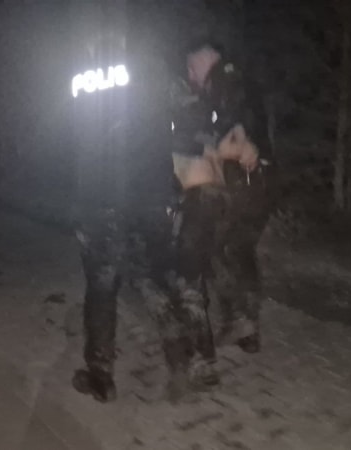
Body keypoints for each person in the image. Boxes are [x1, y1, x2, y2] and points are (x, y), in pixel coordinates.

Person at [69, 6, 221, 403]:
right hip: (150, 197)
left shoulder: (80, 78)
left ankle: (101, 375)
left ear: (89, 40)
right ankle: (182, 361)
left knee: (102, 288)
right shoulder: (150, 67)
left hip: (99, 201)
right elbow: (188, 112)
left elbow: (79, 142)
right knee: (157, 281)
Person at [176, 39, 277, 355]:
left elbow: (226, 135)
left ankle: (234, 321)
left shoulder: (223, 82)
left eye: (192, 66)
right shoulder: (239, 81)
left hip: (239, 181)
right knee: (240, 249)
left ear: (205, 58)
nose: (190, 74)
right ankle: (247, 326)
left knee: (217, 247)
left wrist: (217, 145)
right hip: (263, 181)